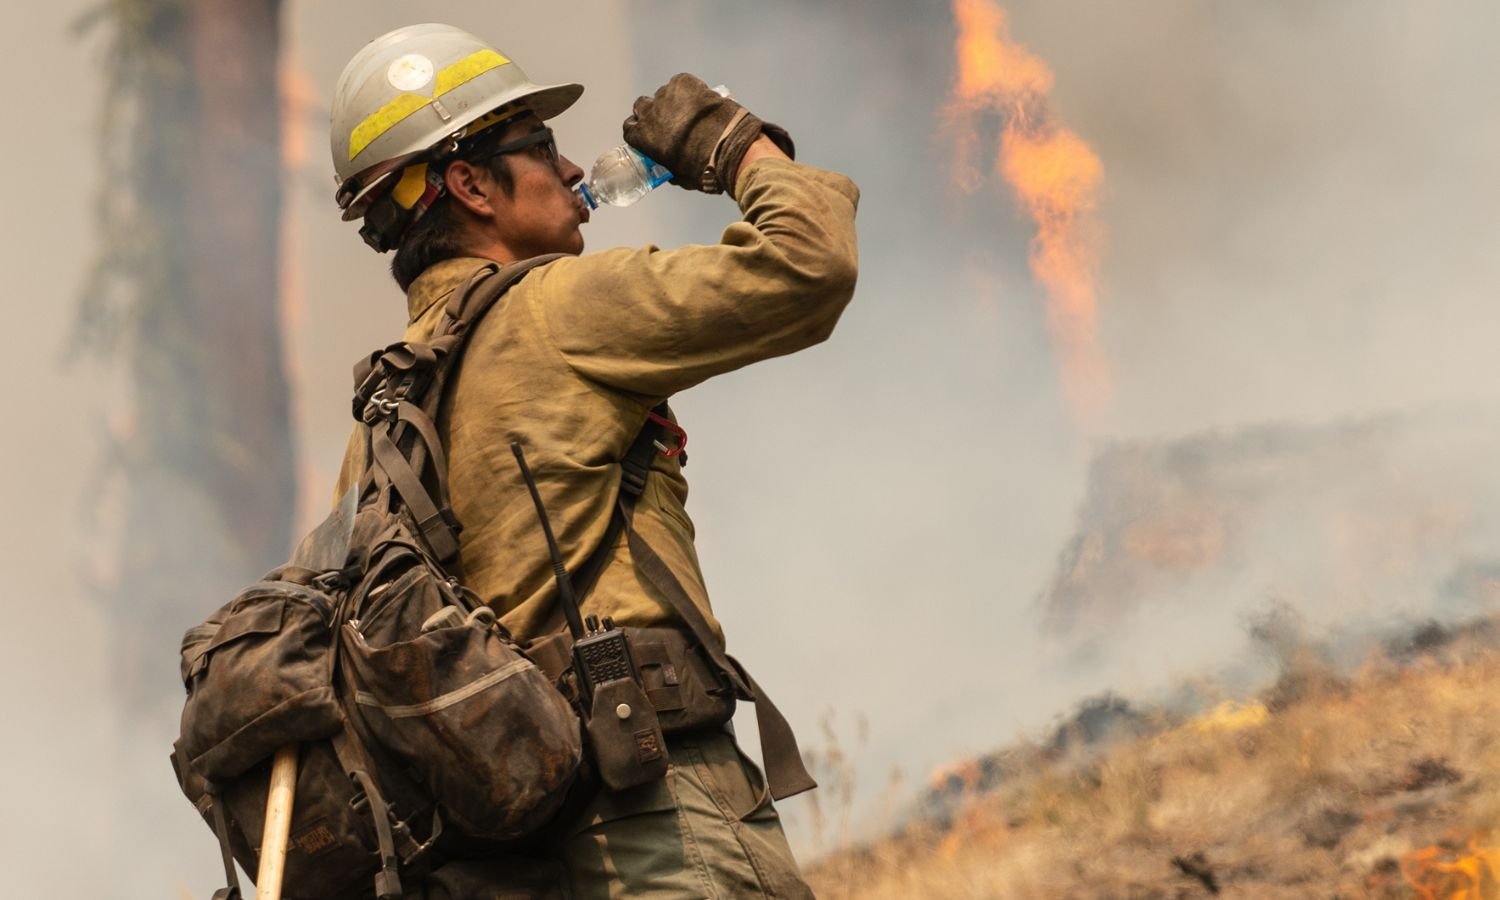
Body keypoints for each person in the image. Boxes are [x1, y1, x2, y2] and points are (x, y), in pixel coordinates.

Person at [328, 23, 858, 899]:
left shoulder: (383, 412)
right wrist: (736, 146)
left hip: (517, 859)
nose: (573, 170)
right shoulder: (556, 308)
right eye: (538, 147)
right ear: (468, 184)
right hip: (657, 817)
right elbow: (811, 262)